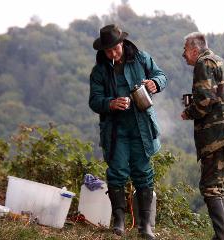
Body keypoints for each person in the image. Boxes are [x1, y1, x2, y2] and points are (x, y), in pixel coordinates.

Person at [89, 24, 167, 239]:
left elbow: (161, 75)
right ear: (103, 51)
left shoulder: (141, 58)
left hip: (141, 124)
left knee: (143, 173)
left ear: (121, 43)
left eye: (115, 48)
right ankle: (119, 222)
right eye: (108, 50)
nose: (113, 53)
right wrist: (111, 103)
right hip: (115, 129)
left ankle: (145, 226)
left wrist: (155, 83)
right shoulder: (99, 71)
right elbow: (94, 101)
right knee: (117, 172)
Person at [181, 32, 224, 240]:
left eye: (184, 50)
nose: (183, 55)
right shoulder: (220, 61)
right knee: (215, 187)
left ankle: (220, 238)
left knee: (210, 188)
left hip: (217, 136)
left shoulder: (204, 63)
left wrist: (188, 111)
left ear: (194, 49)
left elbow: (205, 100)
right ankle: (220, 237)